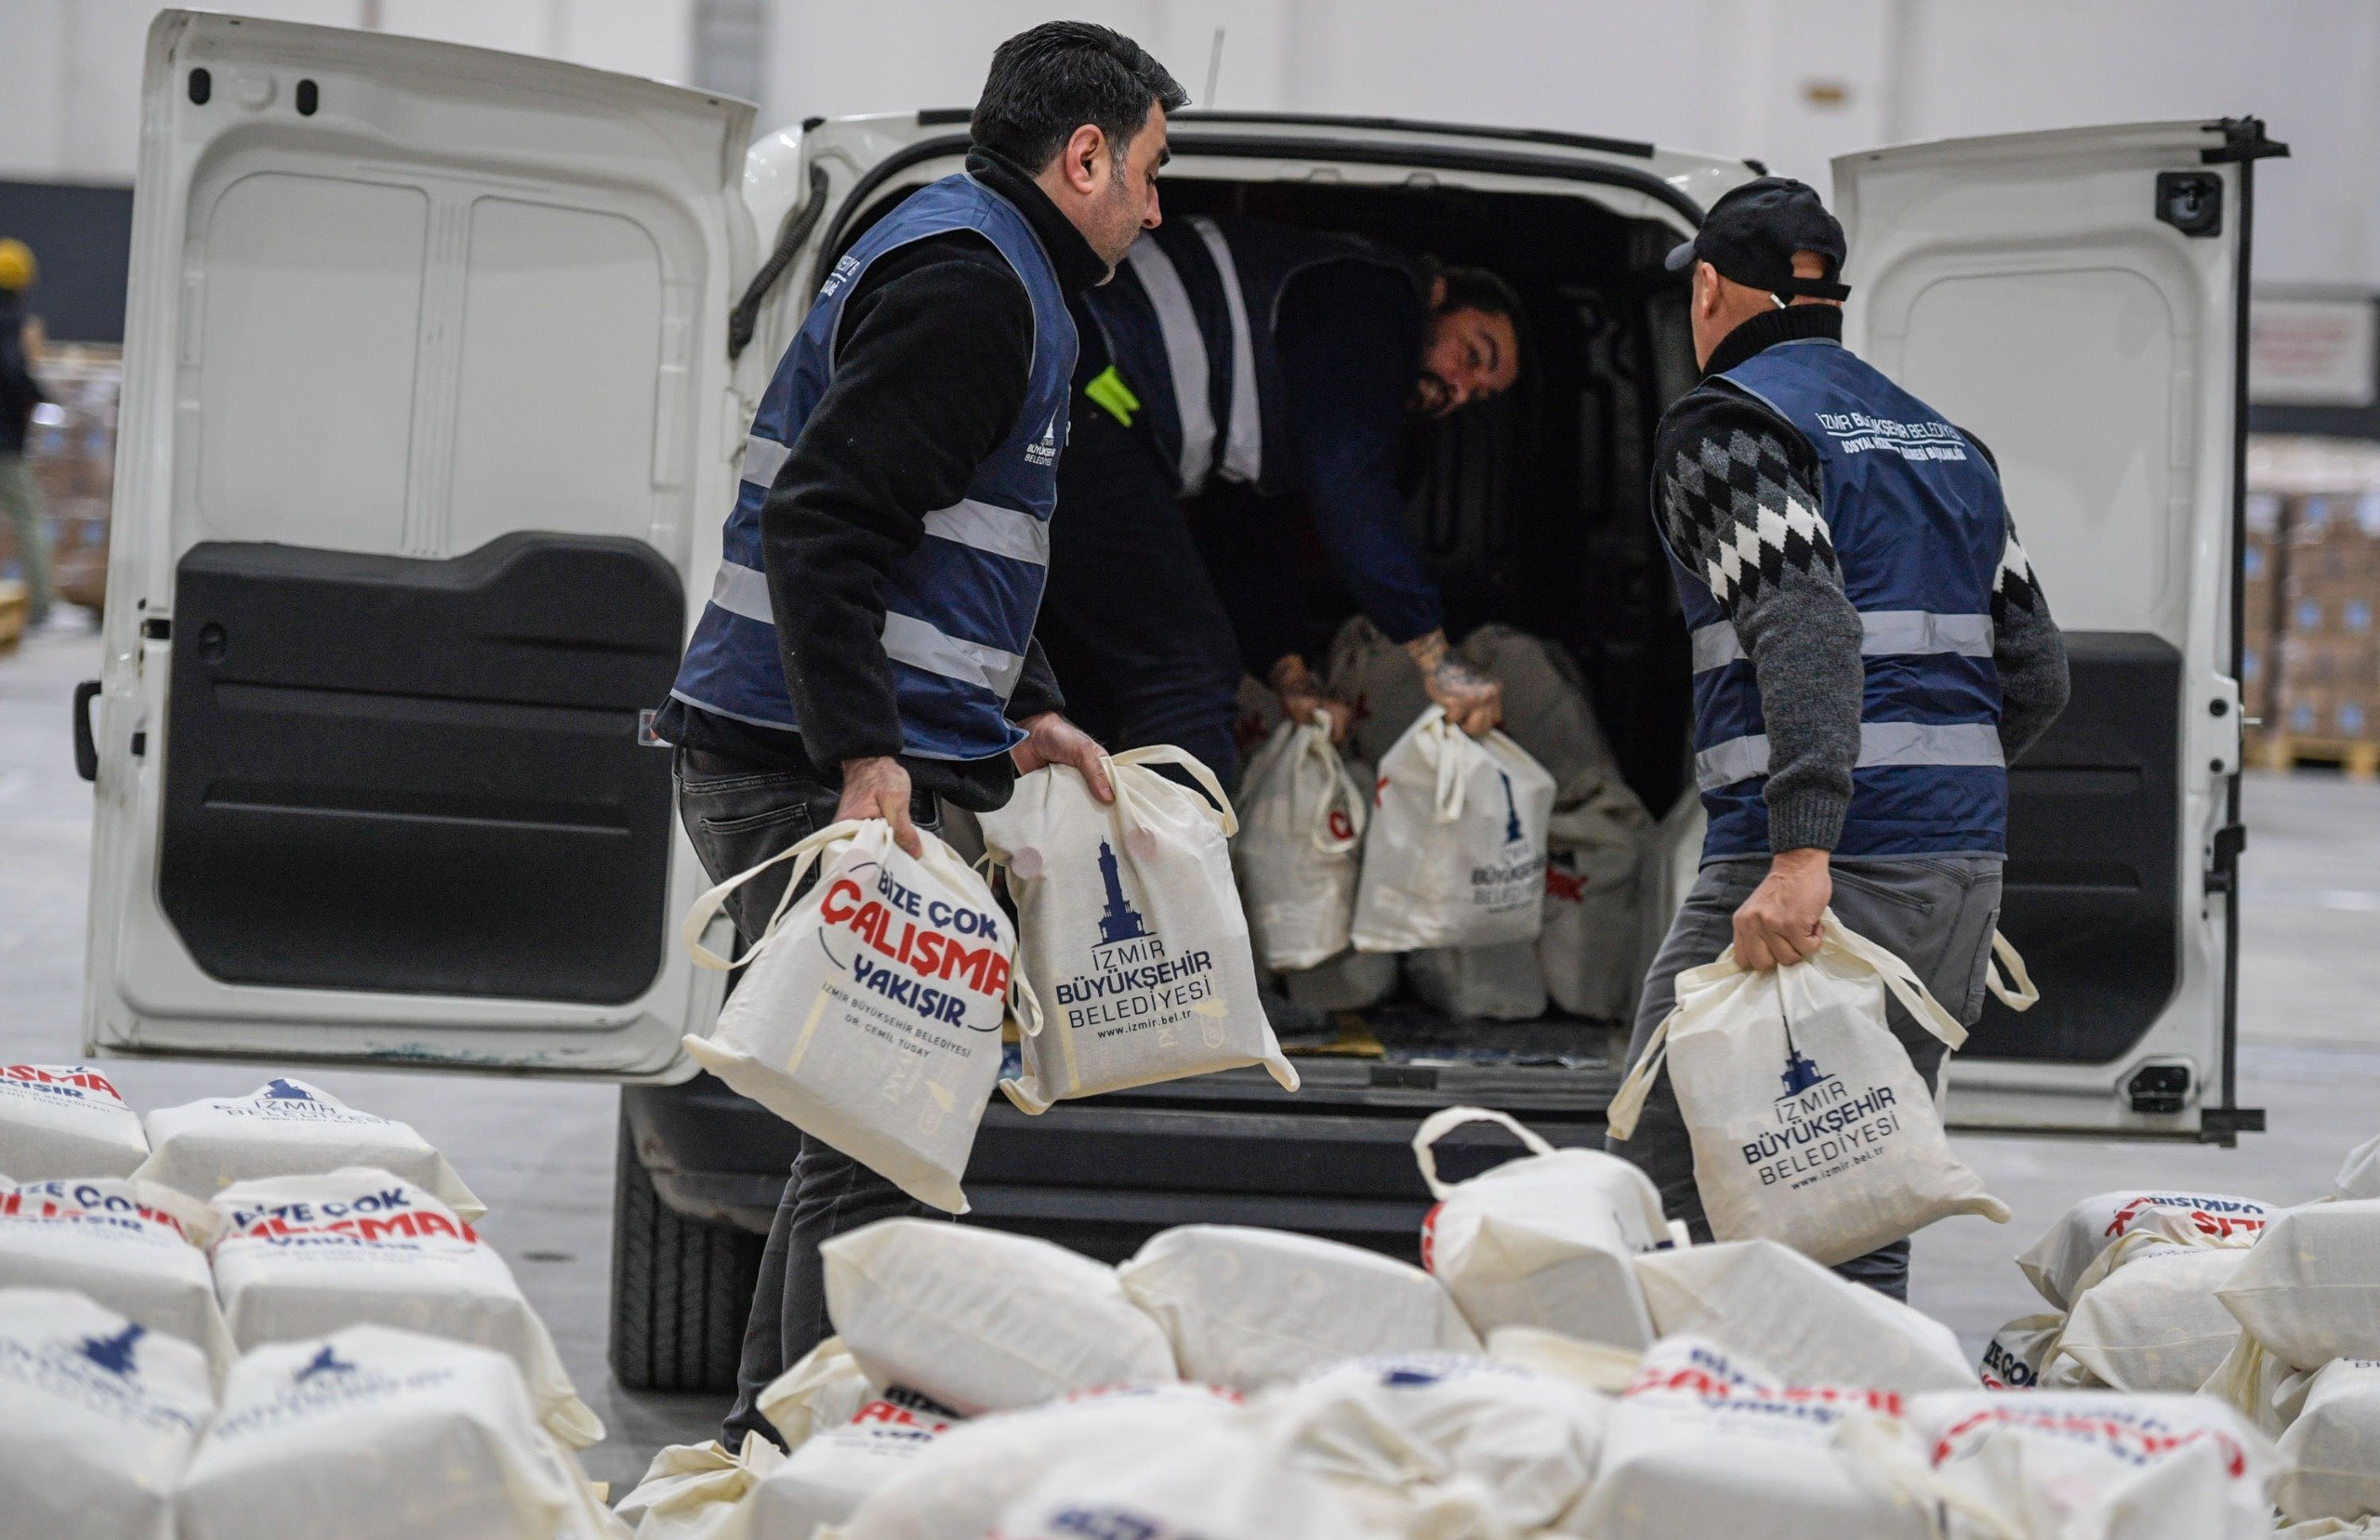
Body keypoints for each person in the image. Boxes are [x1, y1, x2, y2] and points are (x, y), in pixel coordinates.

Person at [654, 21, 1186, 1451]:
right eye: (1145, 171)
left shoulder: (988, 267)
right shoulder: (973, 286)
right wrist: (868, 759)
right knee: (884, 1131)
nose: (1153, 205)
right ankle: (791, 1451)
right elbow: (827, 522)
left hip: (812, 752)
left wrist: (1020, 711)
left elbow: (944, 550)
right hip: (799, 770)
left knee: (873, 1130)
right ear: (1081, 156)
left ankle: (779, 1444)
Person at [1609, 178, 2069, 1300]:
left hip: (1817, 875)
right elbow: (2037, 673)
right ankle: (1852, 1445)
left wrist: (1805, 846)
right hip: (1951, 877)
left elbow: (1804, 619)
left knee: (1666, 1178)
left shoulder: (1730, 426)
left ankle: (1697, 1446)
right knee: (1856, 1193)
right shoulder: (1947, 446)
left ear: (1708, 290)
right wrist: (1934, 797)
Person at [1036, 216, 1523, 780]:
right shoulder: (1378, 297)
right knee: (1190, 669)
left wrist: (1291, 675)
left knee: (1087, 675)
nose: (1459, 390)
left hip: (1086, 413)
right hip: (1082, 382)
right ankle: (1173, 865)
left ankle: (1079, 855)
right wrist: (1436, 659)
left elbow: (1249, 524)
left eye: (1477, 395)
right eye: (1473, 354)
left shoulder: (1303, 386)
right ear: (1438, 294)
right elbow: (1351, 485)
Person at [0, 239, 52, 629]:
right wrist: (41, 397)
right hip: (7, 444)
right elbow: (16, 375)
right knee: (30, 519)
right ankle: (40, 607)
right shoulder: (18, 325)